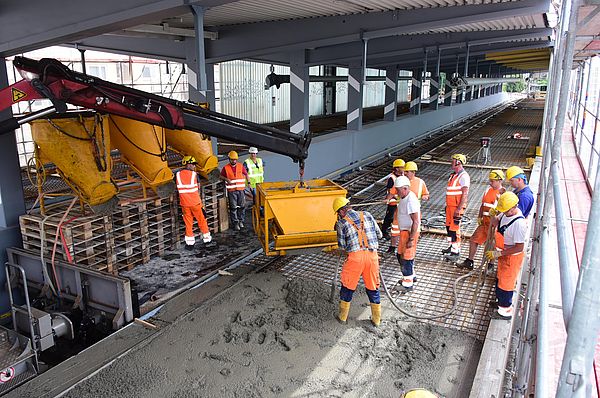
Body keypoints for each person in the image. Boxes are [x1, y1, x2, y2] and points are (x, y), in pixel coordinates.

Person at [333, 197, 383, 327]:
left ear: (341, 211)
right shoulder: (367, 214)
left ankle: (342, 317)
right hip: (372, 256)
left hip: (355, 259)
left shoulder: (341, 223)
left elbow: (342, 246)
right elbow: (380, 235)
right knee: (373, 287)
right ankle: (376, 320)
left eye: (338, 214)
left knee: (347, 287)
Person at [485, 192, 527, 320]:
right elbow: (496, 221)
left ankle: (505, 311)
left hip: (512, 257)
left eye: (507, 210)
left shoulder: (519, 224)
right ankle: (500, 303)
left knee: (506, 284)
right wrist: (493, 216)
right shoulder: (505, 211)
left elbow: (519, 247)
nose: (505, 213)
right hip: (503, 253)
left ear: (515, 206)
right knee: (500, 280)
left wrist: (498, 253)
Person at [458, 170, 506, 270]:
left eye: (492, 181)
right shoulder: (488, 190)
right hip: (484, 223)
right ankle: (469, 261)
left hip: (494, 224)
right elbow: (483, 205)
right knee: (473, 240)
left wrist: (497, 219)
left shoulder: (503, 194)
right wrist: (479, 216)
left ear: (499, 181)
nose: (490, 182)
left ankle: (491, 265)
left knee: (493, 245)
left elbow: (504, 210)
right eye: (490, 180)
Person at [176, 156, 212, 250]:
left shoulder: (177, 174)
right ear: (188, 164)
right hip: (195, 203)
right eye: (193, 164)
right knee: (202, 221)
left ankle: (190, 243)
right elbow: (198, 188)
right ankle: (207, 240)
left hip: (184, 204)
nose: (194, 166)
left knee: (188, 223)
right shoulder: (195, 175)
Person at [390, 176, 420, 289]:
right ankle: (411, 276)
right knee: (401, 255)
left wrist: (411, 239)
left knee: (406, 257)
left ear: (405, 188)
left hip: (409, 233)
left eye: (398, 190)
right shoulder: (404, 196)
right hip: (405, 232)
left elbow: (416, 222)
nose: (397, 192)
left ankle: (407, 284)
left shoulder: (411, 201)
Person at [443, 154, 470, 262]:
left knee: (454, 230)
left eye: (453, 161)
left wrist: (459, 209)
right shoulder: (454, 175)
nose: (451, 162)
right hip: (450, 206)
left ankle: (456, 252)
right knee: (449, 228)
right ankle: (451, 246)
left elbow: (465, 193)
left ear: (458, 162)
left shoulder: (463, 176)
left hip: (456, 207)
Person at [220, 151, 249, 231]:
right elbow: (221, 176)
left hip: (240, 190)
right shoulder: (225, 168)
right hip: (232, 191)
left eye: (235, 159)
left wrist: (249, 183)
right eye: (232, 160)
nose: (234, 161)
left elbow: (246, 174)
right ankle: (235, 223)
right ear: (229, 159)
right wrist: (226, 179)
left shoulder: (240, 166)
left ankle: (241, 221)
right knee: (233, 208)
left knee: (242, 206)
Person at [381, 159, 405, 239]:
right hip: (393, 201)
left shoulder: (403, 176)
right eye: (402, 167)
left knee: (399, 217)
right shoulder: (392, 178)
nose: (404, 168)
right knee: (389, 217)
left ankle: (396, 230)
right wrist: (394, 197)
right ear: (397, 168)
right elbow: (389, 190)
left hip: (401, 201)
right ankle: (384, 231)